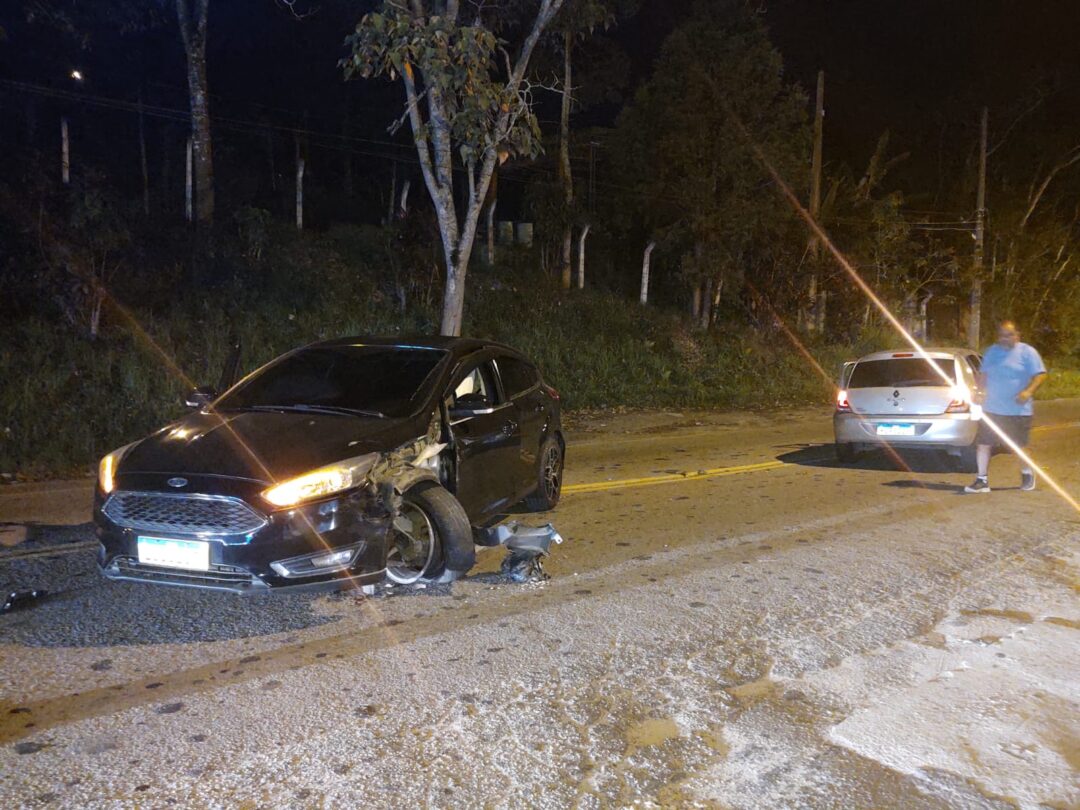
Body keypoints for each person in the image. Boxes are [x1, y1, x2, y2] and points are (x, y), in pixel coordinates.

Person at [964, 320, 1047, 493]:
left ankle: (1027, 473)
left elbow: (1040, 375)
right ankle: (982, 480)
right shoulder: (992, 352)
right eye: (1002, 335)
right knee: (984, 444)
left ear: (1017, 335)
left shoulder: (1027, 352)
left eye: (1009, 335)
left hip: (1018, 410)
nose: (1005, 338)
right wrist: (979, 392)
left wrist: (1028, 391)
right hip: (992, 408)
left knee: (1019, 447)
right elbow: (983, 374)